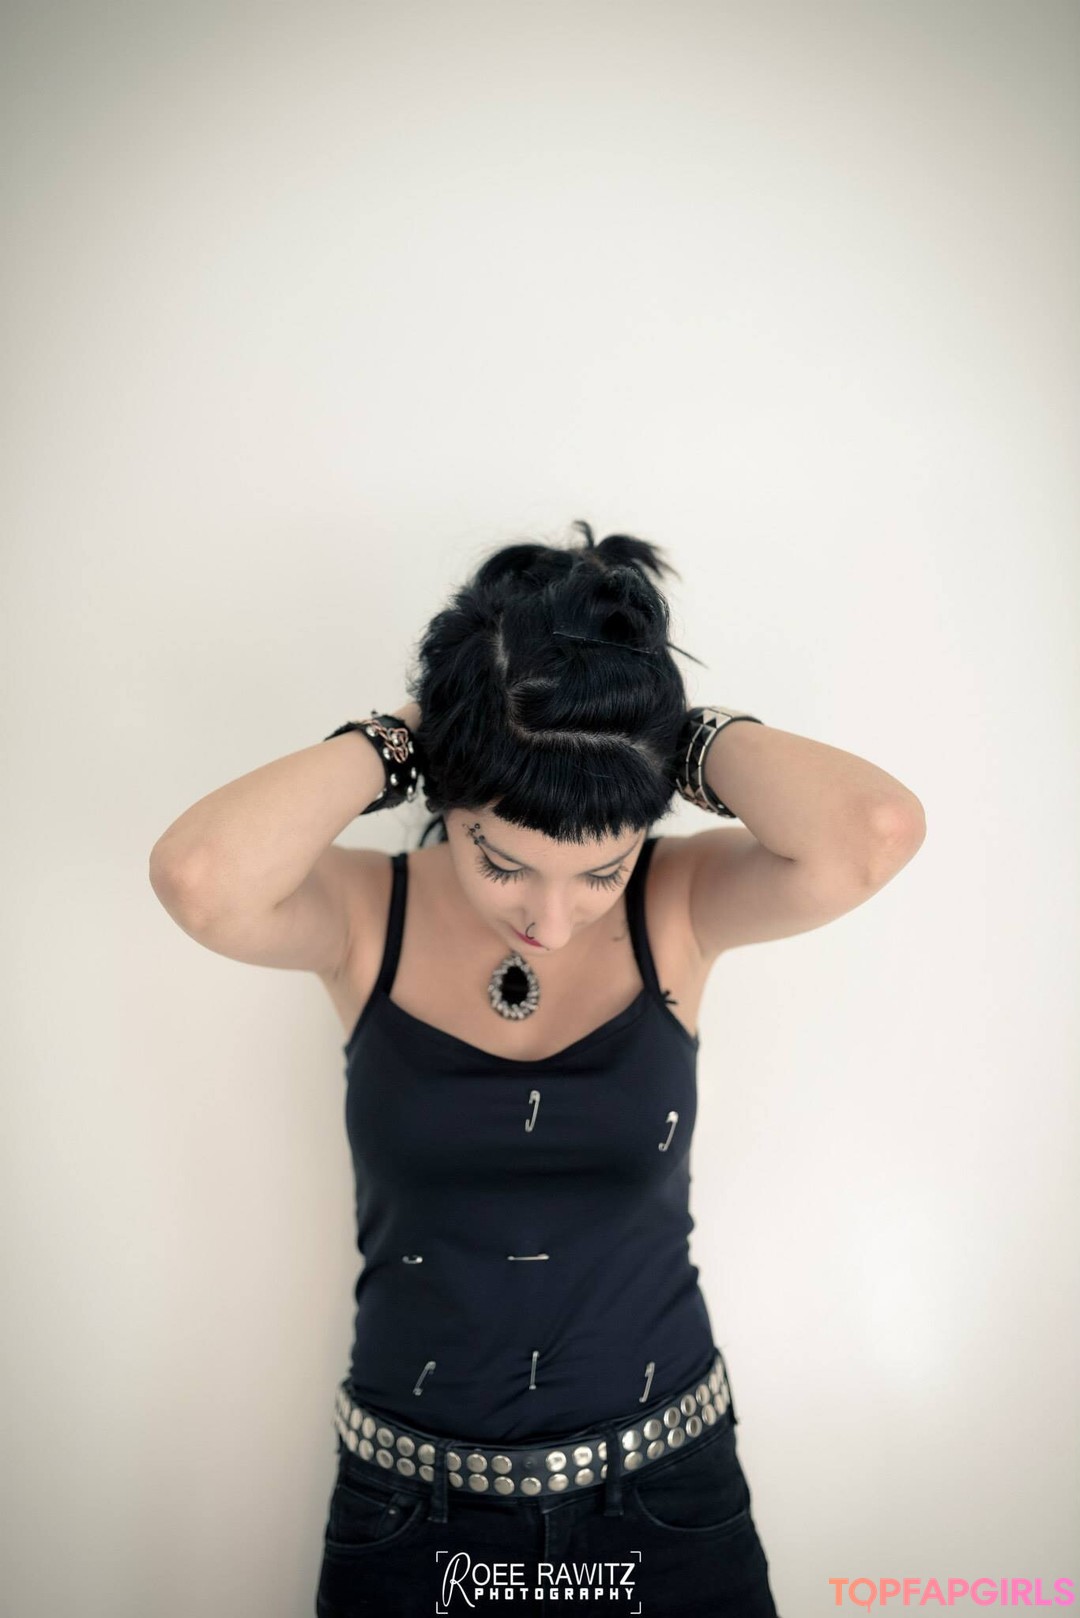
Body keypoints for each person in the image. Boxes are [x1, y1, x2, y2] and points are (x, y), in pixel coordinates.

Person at [149, 520, 926, 1616]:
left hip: (668, 1501)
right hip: (411, 1519)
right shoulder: (366, 916)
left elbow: (874, 830)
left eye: (600, 873)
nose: (551, 923)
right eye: (502, 862)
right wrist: (420, 731)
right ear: (446, 800)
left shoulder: (679, 905)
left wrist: (656, 732)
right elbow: (199, 877)